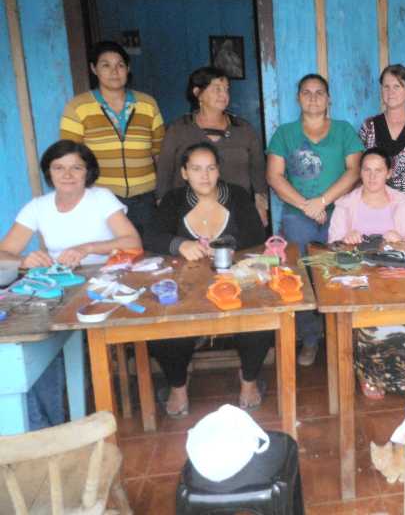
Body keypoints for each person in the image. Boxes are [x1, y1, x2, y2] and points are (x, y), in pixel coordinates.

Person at [0, 139, 141, 429]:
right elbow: (3, 254)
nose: (67, 174)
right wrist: (24, 260)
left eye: (76, 167)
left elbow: (133, 242)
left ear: (88, 172)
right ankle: (42, 424)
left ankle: (49, 421)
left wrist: (88, 247)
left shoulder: (100, 198)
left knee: (51, 337)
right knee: (32, 341)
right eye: (58, 167)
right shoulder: (38, 207)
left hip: (103, 284)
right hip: (58, 288)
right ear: (48, 172)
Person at [143, 142, 269, 417]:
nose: (205, 176)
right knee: (162, 323)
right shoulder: (175, 200)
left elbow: (256, 233)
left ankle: (248, 380)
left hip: (235, 281)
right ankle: (178, 384)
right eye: (196, 169)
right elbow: (151, 236)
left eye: (211, 168)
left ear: (218, 170)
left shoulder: (236, 195)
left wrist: (224, 244)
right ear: (184, 172)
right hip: (188, 285)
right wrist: (180, 244)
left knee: (261, 316)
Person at [267, 74, 363, 366]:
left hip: (341, 215)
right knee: (303, 276)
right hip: (298, 218)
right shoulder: (285, 133)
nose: (313, 98)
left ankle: (345, 339)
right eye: (306, 93)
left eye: (319, 93)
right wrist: (308, 206)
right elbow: (274, 176)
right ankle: (310, 338)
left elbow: (354, 171)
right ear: (298, 98)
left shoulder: (343, 130)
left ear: (328, 98)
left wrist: (323, 201)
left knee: (343, 272)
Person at [328, 147, 405, 397]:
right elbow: (332, 246)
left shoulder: (403, 203)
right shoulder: (345, 204)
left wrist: (401, 240)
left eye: (379, 170)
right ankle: (370, 373)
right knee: (368, 312)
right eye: (367, 170)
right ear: (360, 172)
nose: (372, 176)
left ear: (389, 173)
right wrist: (346, 240)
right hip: (361, 277)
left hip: (397, 276)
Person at [60, 41, 164, 235]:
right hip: (101, 197)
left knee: (148, 249)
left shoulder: (148, 104)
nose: (114, 71)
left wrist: (162, 193)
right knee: (108, 250)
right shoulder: (78, 107)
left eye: (120, 65)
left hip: (146, 198)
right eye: (106, 65)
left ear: (128, 68)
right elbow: (71, 158)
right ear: (94, 69)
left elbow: (159, 153)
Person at [155, 66, 269, 225]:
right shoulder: (179, 129)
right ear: (198, 93)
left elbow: (258, 170)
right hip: (189, 212)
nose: (224, 95)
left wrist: (261, 208)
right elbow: (165, 170)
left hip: (237, 211)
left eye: (226, 89)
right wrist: (164, 210)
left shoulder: (244, 129)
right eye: (217, 89)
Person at [359, 64, 405, 221]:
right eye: (386, 86)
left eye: (397, 86)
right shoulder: (369, 126)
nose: (390, 91)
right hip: (375, 212)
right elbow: (358, 172)